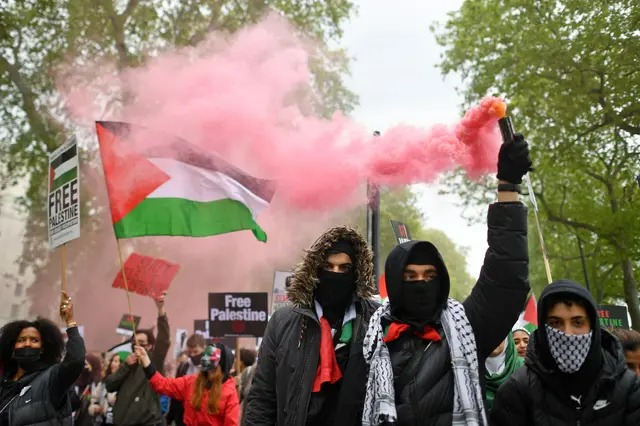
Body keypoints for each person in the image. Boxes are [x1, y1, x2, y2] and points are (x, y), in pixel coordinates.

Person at [362, 134, 532, 426]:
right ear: (394, 283)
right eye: (410, 276)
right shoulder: (371, 339)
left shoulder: (466, 328)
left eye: (429, 275)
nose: (420, 283)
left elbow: (505, 278)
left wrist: (508, 188)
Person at [245, 226, 380, 425]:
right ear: (315, 270)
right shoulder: (283, 322)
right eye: (328, 267)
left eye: (345, 268)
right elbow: (263, 397)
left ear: (357, 272)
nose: (336, 274)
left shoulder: (376, 320)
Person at [491, 279, 640, 425]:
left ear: (592, 326)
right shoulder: (516, 390)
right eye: (556, 323)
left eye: (577, 322)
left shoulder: (628, 387)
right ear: (543, 329)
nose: (567, 333)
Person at [0, 291, 85, 425]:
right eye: (21, 340)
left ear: (43, 348)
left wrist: (70, 322)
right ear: (12, 347)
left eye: (34, 340)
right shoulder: (4, 382)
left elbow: (75, 361)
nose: (27, 343)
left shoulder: (52, 378)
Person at [104, 292, 171, 426]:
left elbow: (164, 340)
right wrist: (126, 366)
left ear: (150, 346)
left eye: (141, 343)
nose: (137, 346)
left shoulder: (154, 361)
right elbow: (109, 385)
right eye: (134, 343)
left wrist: (161, 310)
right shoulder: (127, 362)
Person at [135, 344, 239, 426]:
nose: (209, 372)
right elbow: (162, 384)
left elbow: (231, 423)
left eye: (213, 369)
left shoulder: (230, 393)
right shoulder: (192, 382)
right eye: (208, 368)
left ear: (222, 369)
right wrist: (146, 360)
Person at [167, 334, 207, 426]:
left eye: (196, 352)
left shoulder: (211, 368)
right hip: (183, 414)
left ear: (204, 349)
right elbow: (176, 390)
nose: (193, 355)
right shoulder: (184, 366)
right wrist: (171, 416)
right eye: (190, 352)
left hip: (203, 415)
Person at [484, 333, 524, 412]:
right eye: (487, 334)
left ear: (507, 338)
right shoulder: (469, 372)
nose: (492, 339)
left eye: (497, 333)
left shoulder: (525, 368)